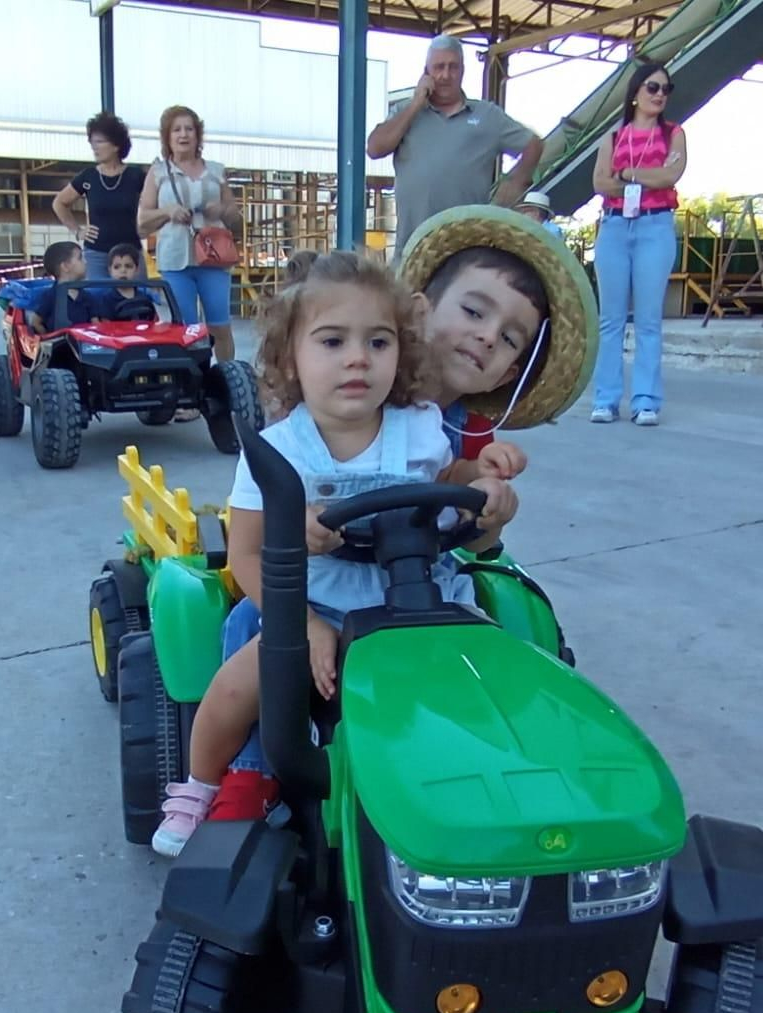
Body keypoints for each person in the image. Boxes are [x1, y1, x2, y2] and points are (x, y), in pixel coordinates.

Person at [171, 206, 581, 837]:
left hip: (427, 598)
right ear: (290, 357)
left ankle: (514, 769)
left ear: (400, 346)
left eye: (377, 343)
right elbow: (246, 552)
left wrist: (482, 484)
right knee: (243, 666)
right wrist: (303, 601)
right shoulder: (278, 451)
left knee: (504, 668)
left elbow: (450, 487)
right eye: (333, 342)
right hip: (320, 602)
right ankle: (218, 781)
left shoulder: (421, 428)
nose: (358, 359)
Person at [366, 34, 544, 260]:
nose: (445, 75)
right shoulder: (406, 112)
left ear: (463, 71)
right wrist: (416, 103)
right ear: (426, 72)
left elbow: (533, 145)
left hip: (466, 250)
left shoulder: (487, 115)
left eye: (453, 67)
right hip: (412, 248)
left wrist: (516, 182)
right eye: (439, 67)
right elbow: (375, 148)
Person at [588, 62, 688, 427]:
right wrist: (644, 178)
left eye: (665, 89)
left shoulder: (674, 134)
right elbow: (600, 183)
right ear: (635, 93)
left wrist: (628, 174)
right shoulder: (614, 137)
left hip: (654, 225)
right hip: (615, 226)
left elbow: (671, 174)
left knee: (648, 319)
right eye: (652, 87)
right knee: (610, 320)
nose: (660, 94)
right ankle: (605, 398)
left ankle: (646, 400)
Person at [137, 104, 240, 369]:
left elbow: (235, 216)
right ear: (167, 136)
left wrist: (222, 210)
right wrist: (167, 211)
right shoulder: (158, 172)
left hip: (214, 258)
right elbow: (142, 221)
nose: (183, 134)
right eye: (177, 129)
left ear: (198, 135)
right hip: (175, 260)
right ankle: (192, 383)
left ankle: (228, 379)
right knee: (184, 329)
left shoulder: (216, 171)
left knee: (220, 325)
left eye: (189, 129)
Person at [52, 114, 147, 281]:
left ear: (116, 145)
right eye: (92, 143)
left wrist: (148, 227)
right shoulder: (88, 176)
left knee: (138, 297)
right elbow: (59, 203)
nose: (94, 147)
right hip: (96, 255)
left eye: (100, 142)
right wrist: (78, 231)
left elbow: (155, 203)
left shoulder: (136, 175)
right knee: (97, 296)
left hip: (130, 255)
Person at [28, 242, 103, 333]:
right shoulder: (50, 296)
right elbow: (36, 322)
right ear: (65, 266)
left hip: (83, 341)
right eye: (80, 258)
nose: (85, 262)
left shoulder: (87, 296)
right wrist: (48, 338)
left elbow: (95, 324)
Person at [104, 244, 157, 321]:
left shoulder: (145, 297)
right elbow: (105, 324)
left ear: (137, 270)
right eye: (117, 267)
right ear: (110, 271)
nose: (123, 271)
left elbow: (154, 321)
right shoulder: (106, 299)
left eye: (128, 266)